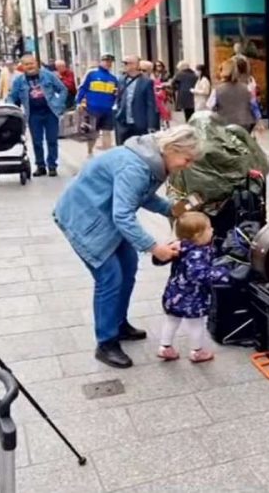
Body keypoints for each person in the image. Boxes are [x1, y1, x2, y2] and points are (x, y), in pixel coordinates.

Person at [53, 125, 201, 368]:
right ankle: (106, 342)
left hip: (103, 216)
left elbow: (140, 195)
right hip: (84, 219)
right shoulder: (137, 166)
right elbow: (123, 216)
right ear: (172, 149)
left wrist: (171, 210)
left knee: (128, 267)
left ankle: (118, 323)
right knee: (109, 277)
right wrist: (155, 247)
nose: (188, 165)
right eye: (187, 159)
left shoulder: (151, 160)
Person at [158, 211, 231, 363]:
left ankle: (165, 348)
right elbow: (201, 275)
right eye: (209, 228)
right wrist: (223, 274)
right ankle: (197, 352)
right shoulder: (198, 253)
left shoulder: (181, 247)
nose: (212, 230)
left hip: (173, 293)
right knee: (196, 324)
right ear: (198, 235)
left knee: (171, 320)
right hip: (193, 298)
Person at [9, 54, 67, 177]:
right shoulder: (19, 81)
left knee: (52, 140)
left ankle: (52, 166)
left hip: (50, 113)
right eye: (26, 64)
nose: (30, 66)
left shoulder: (48, 75)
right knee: (37, 142)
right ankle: (40, 166)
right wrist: (9, 107)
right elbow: (12, 97)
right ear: (22, 67)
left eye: (31, 63)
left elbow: (63, 89)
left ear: (36, 63)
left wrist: (58, 103)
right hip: (33, 115)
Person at [75, 54, 119, 156]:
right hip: (92, 108)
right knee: (92, 132)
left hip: (108, 109)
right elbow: (83, 88)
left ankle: (108, 155)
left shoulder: (113, 78)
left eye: (110, 62)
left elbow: (115, 93)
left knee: (107, 131)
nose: (108, 63)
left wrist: (115, 103)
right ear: (101, 62)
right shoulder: (92, 74)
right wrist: (78, 102)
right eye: (106, 61)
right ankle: (90, 152)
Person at [114, 58, 158, 145]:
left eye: (126, 63)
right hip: (123, 122)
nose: (124, 65)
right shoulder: (121, 80)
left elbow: (150, 104)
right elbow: (119, 98)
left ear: (135, 65)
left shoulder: (146, 82)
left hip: (139, 123)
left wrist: (151, 125)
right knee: (122, 149)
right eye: (123, 63)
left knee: (140, 148)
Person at [210, 59, 255, 132]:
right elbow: (253, 104)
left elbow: (210, 106)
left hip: (225, 123)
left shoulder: (217, 90)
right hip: (244, 123)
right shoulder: (246, 88)